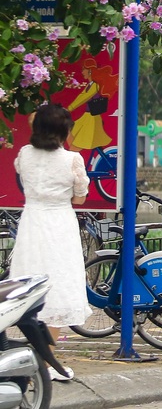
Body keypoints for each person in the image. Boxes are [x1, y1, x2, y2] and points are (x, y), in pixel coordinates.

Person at [10, 104, 90, 383]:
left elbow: (22, 176)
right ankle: (46, 363)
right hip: (59, 225)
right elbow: (80, 197)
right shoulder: (72, 160)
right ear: (63, 130)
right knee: (59, 288)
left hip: (31, 222)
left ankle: (33, 359)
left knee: (29, 287)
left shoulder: (24, 155)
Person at [66, 58, 117, 151]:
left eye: (83, 69)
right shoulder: (90, 85)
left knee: (74, 147)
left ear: (89, 70)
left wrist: (70, 108)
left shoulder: (95, 85)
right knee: (68, 132)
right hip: (86, 117)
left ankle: (75, 164)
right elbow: (81, 95)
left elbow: (84, 97)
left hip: (91, 119)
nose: (82, 72)